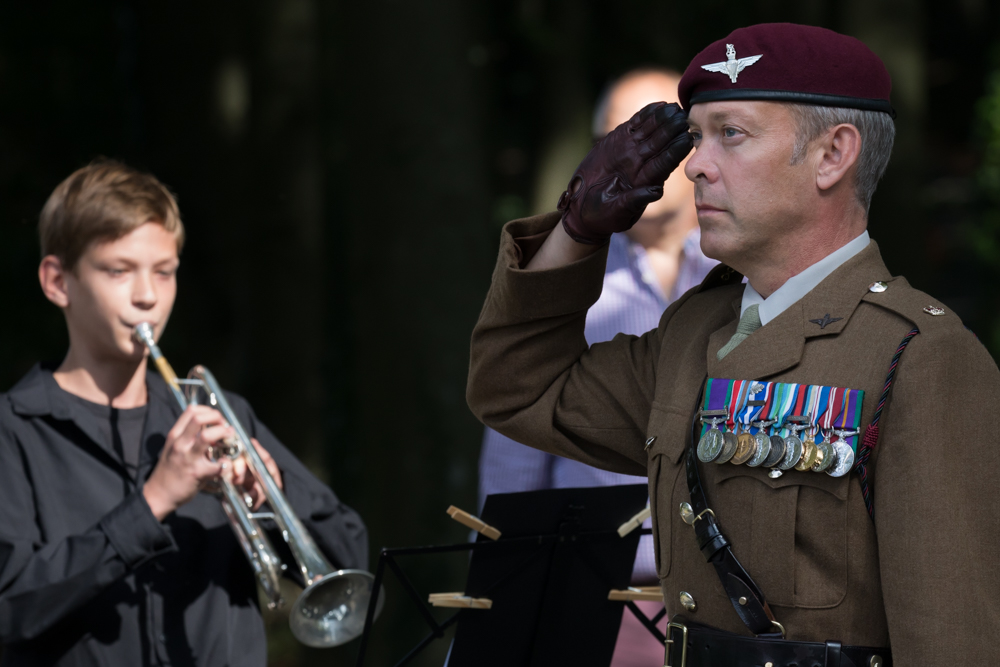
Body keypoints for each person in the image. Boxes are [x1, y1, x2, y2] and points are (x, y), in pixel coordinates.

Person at [468, 23, 999, 666]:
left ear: (833, 155)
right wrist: (576, 229)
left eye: (732, 134)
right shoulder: (696, 331)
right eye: (695, 137)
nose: (694, 165)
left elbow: (953, 638)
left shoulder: (921, 356)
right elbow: (518, 388)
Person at [0, 160, 368, 666]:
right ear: (58, 281)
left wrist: (274, 489)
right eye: (118, 270)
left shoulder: (218, 414)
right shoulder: (14, 432)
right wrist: (153, 501)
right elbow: (10, 607)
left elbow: (350, 557)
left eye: (165, 272)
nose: (148, 296)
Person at [477, 67, 717, 666]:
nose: (646, 162)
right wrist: (507, 600)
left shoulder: (741, 277)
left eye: (667, 137)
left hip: (729, 606)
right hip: (597, 597)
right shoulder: (560, 285)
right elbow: (513, 460)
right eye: (626, 140)